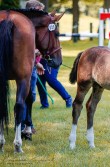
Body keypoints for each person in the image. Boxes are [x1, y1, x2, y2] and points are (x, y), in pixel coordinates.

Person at [21, 0, 45, 140]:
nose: (42, 13)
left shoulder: (35, 26)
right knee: (26, 96)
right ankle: (24, 125)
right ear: (34, 9)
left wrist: (37, 63)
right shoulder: (25, 27)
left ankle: (27, 123)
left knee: (31, 96)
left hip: (33, 65)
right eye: (40, 10)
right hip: (26, 67)